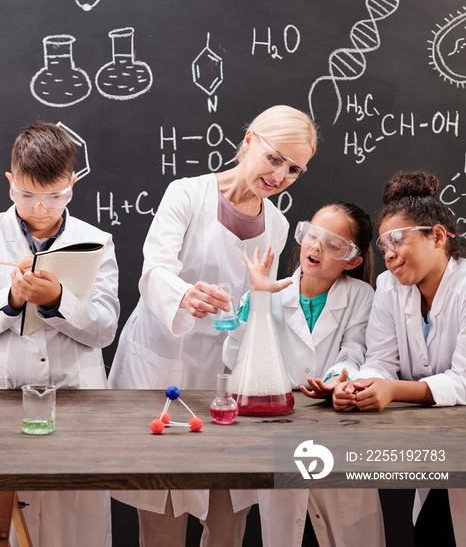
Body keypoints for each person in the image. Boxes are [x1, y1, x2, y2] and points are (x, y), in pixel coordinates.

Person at [108, 105, 317, 547]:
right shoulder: (186, 194)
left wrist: (258, 302)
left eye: (294, 169)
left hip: (226, 374)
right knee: (162, 515)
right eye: (274, 158)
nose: (280, 176)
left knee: (226, 518)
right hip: (165, 363)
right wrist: (184, 295)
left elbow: (256, 307)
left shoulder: (276, 227)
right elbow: (154, 270)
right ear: (249, 141)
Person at [223, 201, 385, 547]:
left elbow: (355, 351)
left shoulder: (360, 295)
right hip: (281, 430)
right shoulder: (271, 291)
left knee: (349, 529)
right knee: (286, 528)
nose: (316, 247)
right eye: (312, 236)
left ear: (353, 260)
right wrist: (257, 300)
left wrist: (336, 379)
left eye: (332, 245)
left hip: (338, 428)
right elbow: (237, 357)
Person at [0, 122, 120, 547]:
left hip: (77, 398)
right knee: (15, 525)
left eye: (54, 196)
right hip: (9, 397)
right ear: (11, 182)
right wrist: (12, 301)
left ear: (72, 183)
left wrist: (58, 300)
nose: (40, 208)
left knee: (80, 524)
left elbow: (105, 328)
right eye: (27, 195)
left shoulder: (96, 241)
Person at [333, 170, 466, 546]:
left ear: (438, 236)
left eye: (398, 240)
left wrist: (393, 390)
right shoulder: (390, 287)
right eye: (382, 244)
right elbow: (380, 359)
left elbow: (463, 380)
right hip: (429, 443)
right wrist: (359, 385)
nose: (388, 253)